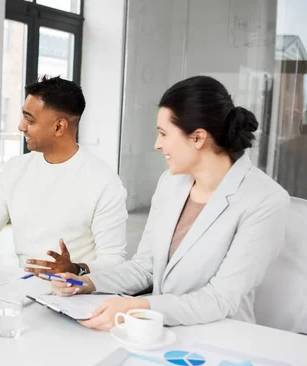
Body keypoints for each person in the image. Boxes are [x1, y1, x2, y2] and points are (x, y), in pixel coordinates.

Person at [52, 76, 290, 330]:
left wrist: (139, 307)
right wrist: (86, 283)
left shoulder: (265, 200)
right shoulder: (170, 183)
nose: (157, 145)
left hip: (221, 336)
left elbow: (221, 300)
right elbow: (145, 267)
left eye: (163, 134)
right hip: (159, 331)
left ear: (198, 137)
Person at [0, 76, 128, 281]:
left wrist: (76, 269)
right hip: (24, 291)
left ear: (59, 127)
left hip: (77, 295)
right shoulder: (14, 169)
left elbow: (115, 259)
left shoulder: (103, 181)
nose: (20, 126)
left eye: (30, 120)